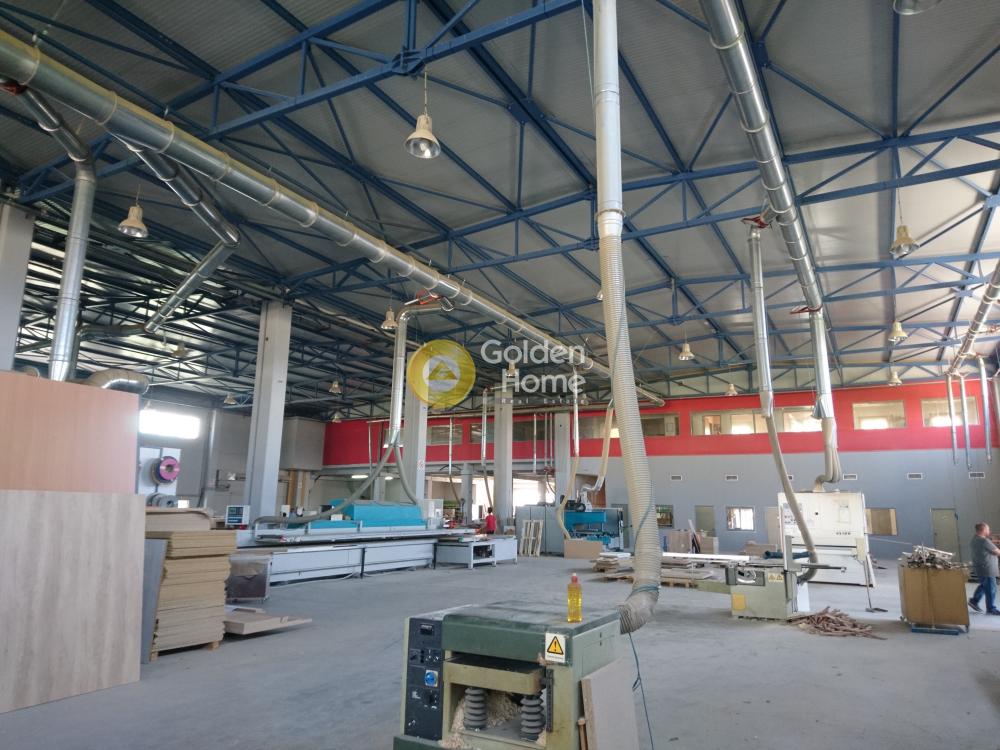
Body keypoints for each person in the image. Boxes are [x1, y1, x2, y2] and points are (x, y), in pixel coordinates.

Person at [968, 522, 1000, 614]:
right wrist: (995, 547)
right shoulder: (985, 541)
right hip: (987, 569)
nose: (989, 531)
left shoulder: (974, 539)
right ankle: (991, 609)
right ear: (983, 530)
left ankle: (974, 601)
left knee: (984, 585)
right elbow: (998, 552)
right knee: (991, 588)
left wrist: (993, 544)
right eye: (988, 529)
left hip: (980, 568)